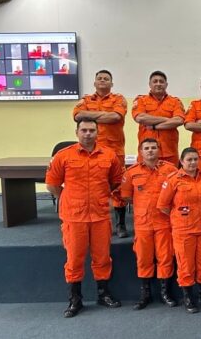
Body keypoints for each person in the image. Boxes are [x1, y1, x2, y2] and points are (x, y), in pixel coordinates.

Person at [45, 118, 123, 318]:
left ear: (97, 133)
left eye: (91, 130)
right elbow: (53, 185)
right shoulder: (63, 156)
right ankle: (75, 298)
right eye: (84, 130)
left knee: (102, 257)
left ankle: (103, 293)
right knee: (74, 259)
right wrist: (67, 199)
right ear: (77, 132)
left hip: (99, 215)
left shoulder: (109, 155)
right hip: (74, 216)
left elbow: (115, 182)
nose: (88, 134)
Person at [120, 138, 179, 310]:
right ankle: (145, 294)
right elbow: (126, 196)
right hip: (143, 223)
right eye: (147, 148)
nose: (151, 151)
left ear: (159, 150)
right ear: (141, 151)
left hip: (164, 222)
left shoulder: (171, 170)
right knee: (144, 258)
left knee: (165, 257)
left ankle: (165, 293)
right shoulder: (131, 173)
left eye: (154, 148)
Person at [157, 148, 201, 314]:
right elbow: (163, 205)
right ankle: (188, 297)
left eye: (195, 159)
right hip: (183, 230)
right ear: (182, 162)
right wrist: (179, 217)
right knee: (186, 265)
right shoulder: (173, 180)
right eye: (189, 160)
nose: (192, 163)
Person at [73, 69, 129, 238]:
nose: (103, 81)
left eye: (106, 79)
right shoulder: (85, 99)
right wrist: (104, 115)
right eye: (100, 78)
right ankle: (98, 222)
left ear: (111, 84)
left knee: (118, 186)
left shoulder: (118, 99)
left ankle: (120, 224)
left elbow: (115, 117)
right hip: (91, 149)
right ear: (95, 82)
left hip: (114, 149)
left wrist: (90, 117)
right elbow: (77, 116)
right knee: (95, 184)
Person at [132, 71, 185, 165]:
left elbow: (179, 120)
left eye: (161, 81)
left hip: (169, 151)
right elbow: (140, 118)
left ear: (166, 84)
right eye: (155, 81)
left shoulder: (175, 101)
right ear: (150, 84)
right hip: (147, 152)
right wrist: (167, 120)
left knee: (171, 179)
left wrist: (154, 127)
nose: (158, 84)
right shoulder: (141, 100)